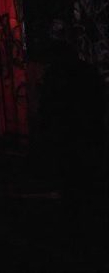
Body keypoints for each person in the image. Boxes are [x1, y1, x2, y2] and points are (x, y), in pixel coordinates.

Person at [38, 37, 106, 227]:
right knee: (85, 170)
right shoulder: (86, 72)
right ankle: (85, 207)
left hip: (67, 130)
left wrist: (46, 126)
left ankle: (73, 209)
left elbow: (48, 103)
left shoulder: (56, 74)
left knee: (69, 171)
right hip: (85, 129)